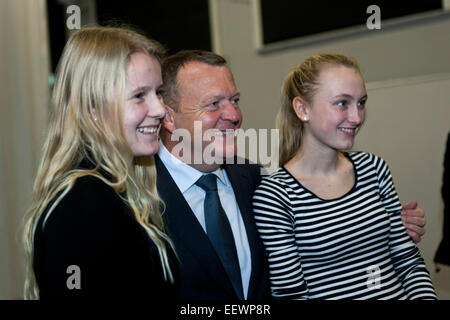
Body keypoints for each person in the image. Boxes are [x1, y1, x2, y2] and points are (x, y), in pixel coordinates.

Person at [156, 50, 427, 300]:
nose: (234, 114)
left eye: (235, 100)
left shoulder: (252, 180)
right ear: (168, 117)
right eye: (214, 104)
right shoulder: (136, 196)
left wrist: (385, 225)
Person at [252, 53, 437, 299]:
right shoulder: (275, 196)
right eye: (342, 103)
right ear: (302, 109)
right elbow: (291, 294)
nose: (357, 117)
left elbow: (408, 263)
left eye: (361, 102)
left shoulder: (373, 168)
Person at [23, 26, 178, 299]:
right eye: (139, 95)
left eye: (158, 92)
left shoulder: (113, 190)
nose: (159, 109)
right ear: (92, 108)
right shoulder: (81, 202)